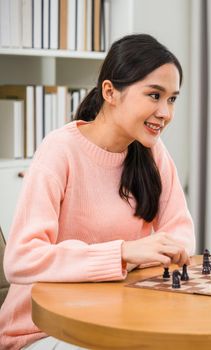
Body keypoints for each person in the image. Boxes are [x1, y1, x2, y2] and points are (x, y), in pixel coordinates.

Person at [0, 34, 195, 350]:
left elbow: (181, 239)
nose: (165, 113)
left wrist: (134, 257)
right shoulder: (60, 150)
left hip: (120, 320)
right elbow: (21, 259)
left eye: (172, 99)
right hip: (42, 330)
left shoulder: (153, 152)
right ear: (110, 92)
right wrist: (122, 253)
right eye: (154, 95)